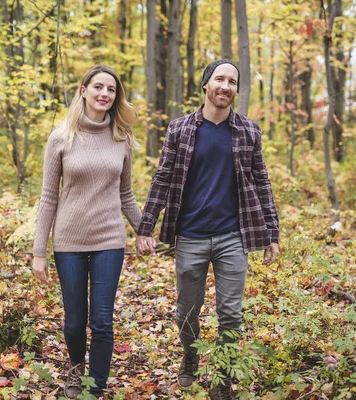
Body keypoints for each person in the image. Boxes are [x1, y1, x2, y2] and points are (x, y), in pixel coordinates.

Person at [135, 59, 279, 399]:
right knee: (186, 310)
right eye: (220, 79)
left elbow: (261, 183)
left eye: (232, 81)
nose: (226, 86)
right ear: (206, 84)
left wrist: (272, 233)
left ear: (237, 89)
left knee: (230, 312)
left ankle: (224, 376)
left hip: (233, 236)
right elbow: (163, 178)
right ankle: (191, 354)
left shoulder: (248, 131)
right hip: (191, 236)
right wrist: (146, 226)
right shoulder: (180, 129)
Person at [32, 65, 142, 398]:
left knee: (103, 321)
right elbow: (49, 197)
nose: (104, 94)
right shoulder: (61, 137)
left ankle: (95, 388)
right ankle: (76, 368)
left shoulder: (122, 139)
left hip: (109, 239)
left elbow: (126, 194)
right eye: (98, 87)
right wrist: (39, 252)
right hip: (69, 242)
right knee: (76, 321)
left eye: (111, 89)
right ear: (83, 90)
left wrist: (145, 230)